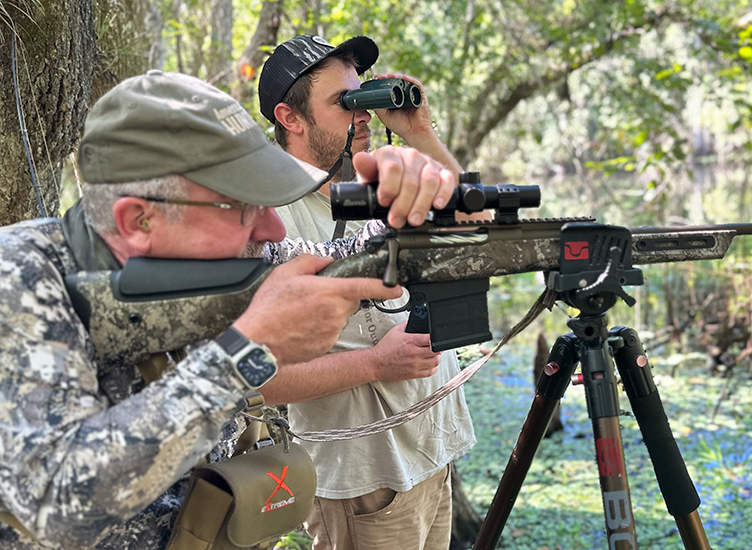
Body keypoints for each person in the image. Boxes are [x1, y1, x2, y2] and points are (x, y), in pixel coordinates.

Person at [0, 70, 456, 550]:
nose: (273, 230)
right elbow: (55, 503)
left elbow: (352, 260)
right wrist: (246, 352)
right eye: (242, 206)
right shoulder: (20, 279)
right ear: (139, 220)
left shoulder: (228, 257)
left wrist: (416, 206)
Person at [255, 35, 478, 550]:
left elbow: (480, 230)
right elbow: (252, 376)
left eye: (364, 99)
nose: (362, 116)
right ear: (291, 118)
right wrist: (375, 365)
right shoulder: (268, 215)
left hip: (431, 455)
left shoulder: (384, 181)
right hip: (366, 482)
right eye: (343, 103)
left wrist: (419, 132)